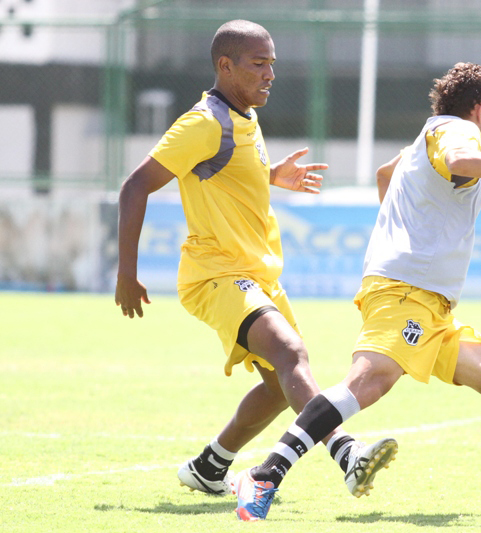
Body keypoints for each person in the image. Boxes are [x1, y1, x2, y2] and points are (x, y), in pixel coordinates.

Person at [231, 62, 481, 521]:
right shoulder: (457, 132)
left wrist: (397, 241)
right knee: (368, 382)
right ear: (480, 111)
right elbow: (458, 161)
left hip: (427, 302)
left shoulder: (426, 136)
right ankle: (265, 475)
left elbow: (383, 175)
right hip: (406, 293)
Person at [114, 19, 396, 518]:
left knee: (277, 383)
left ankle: (210, 466)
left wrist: (271, 176)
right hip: (216, 273)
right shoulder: (202, 122)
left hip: (257, 273)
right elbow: (135, 186)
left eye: (272, 64)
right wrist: (126, 272)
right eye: (258, 63)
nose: (270, 74)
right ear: (225, 66)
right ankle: (347, 453)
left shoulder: (241, 116)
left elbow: (223, 169)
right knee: (291, 353)